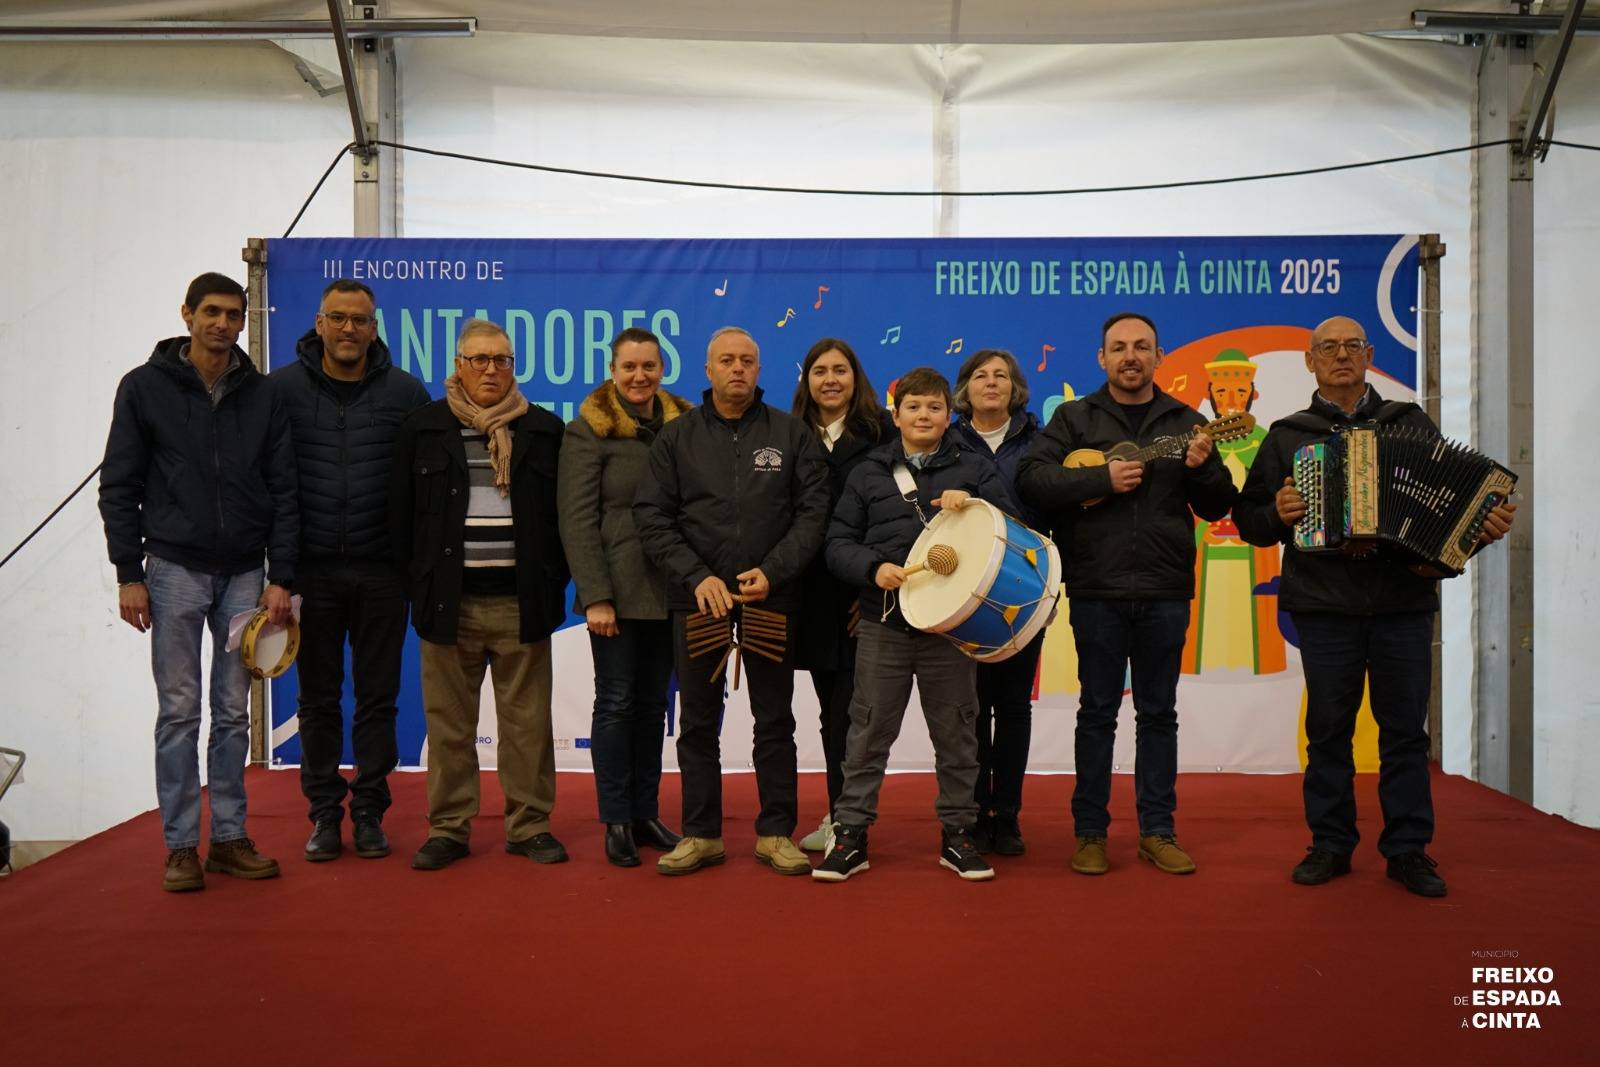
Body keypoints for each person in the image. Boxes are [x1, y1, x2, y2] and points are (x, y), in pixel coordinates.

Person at [1234, 316, 1515, 898]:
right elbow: (1250, 523)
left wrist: (1483, 527)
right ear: (1310, 362)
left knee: (1405, 732)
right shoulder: (1290, 433)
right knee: (1328, 730)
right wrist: (1278, 512)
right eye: (1328, 349)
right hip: (1324, 604)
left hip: (1401, 603)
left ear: (1369, 354)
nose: (1341, 356)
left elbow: (1451, 507)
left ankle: (1409, 849)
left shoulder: (1409, 423)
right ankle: (1330, 844)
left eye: (1351, 347)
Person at [1016, 311, 1236, 877]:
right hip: (1096, 589)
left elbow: (1217, 505)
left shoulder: (1188, 421)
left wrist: (1205, 468)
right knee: (1096, 714)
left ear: (1159, 357)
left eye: (1142, 347)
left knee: (1159, 714)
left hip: (1164, 590)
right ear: (1102, 358)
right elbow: (1034, 482)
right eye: (1119, 347)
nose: (1130, 356)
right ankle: (1090, 833)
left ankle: (1157, 832)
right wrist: (1100, 481)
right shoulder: (1074, 418)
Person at [99, 271, 298, 892]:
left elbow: (285, 491)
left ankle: (230, 838)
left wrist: (281, 577)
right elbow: (119, 487)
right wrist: (129, 575)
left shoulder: (263, 396)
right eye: (211, 312)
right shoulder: (143, 388)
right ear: (186, 313)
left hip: (246, 575)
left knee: (234, 714)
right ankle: (181, 846)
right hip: (174, 571)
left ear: (244, 321)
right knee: (180, 713)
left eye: (234, 314)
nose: (223, 323)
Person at [633, 326, 830, 876]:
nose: (737, 369)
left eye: (747, 360)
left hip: (770, 597)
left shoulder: (792, 436)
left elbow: (813, 516)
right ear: (707, 369)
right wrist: (697, 577)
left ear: (760, 370)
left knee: (775, 720)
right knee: (697, 722)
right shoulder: (676, 438)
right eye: (726, 360)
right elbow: (652, 517)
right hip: (701, 601)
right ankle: (701, 834)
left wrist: (774, 571)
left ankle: (775, 833)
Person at [814, 367, 1014, 882]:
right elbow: (837, 544)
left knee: (957, 735)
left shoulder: (974, 469)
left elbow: (1010, 528)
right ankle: (851, 835)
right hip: (884, 625)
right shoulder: (867, 472)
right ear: (895, 413)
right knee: (867, 733)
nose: (923, 416)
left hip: (951, 629)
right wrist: (871, 569)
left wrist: (975, 505)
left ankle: (959, 836)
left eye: (934, 407)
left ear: (951, 415)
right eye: (913, 407)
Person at [389, 318, 570, 871]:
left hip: (521, 601)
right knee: (449, 726)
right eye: (480, 360)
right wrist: (417, 588)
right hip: (449, 604)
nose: (492, 369)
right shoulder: (422, 428)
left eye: (503, 360)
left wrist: (549, 581)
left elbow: (565, 520)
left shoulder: (543, 429)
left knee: (529, 727)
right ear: (459, 365)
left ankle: (529, 826)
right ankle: (448, 828)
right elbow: (400, 521)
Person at [271, 279, 429, 862]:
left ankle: (368, 812)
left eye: (360, 320)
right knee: (315, 701)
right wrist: (280, 574)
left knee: (378, 700)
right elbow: (268, 484)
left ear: (374, 327)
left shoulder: (405, 393)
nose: (348, 330)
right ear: (318, 323)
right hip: (308, 574)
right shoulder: (279, 391)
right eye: (338, 319)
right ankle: (322, 816)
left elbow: (424, 486)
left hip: (383, 574)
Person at [557, 327, 692, 867]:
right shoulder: (587, 431)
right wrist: (594, 596)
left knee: (653, 707)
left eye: (649, 367)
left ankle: (644, 812)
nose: (640, 377)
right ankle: (615, 818)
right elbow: (577, 519)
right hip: (615, 593)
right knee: (615, 703)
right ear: (612, 370)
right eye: (629, 367)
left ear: (663, 369)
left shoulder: (684, 427)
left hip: (673, 591)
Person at [788, 337, 893, 856]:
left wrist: (868, 585)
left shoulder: (885, 434)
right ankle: (837, 813)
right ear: (806, 380)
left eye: (841, 370)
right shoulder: (788, 434)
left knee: (854, 716)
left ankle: (849, 821)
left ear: (857, 378)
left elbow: (895, 517)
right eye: (820, 371)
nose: (831, 379)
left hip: (863, 596)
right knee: (829, 711)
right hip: (805, 596)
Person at [948, 347, 1045, 856]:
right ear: (965, 388)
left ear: (1015, 387)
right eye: (980, 375)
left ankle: (1006, 815)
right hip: (962, 596)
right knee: (970, 707)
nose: (991, 383)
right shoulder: (947, 438)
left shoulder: (1041, 439)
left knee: (1012, 708)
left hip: (1025, 590)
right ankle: (970, 814)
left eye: (1001, 375)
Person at [1182, 349, 1285, 676]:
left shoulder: (1266, 441)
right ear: (1210, 394)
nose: (1231, 399)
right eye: (1222, 391)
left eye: (1240, 392)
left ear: (1253, 395)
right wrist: (1204, 527)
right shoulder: (1196, 440)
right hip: (1207, 546)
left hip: (1250, 552)